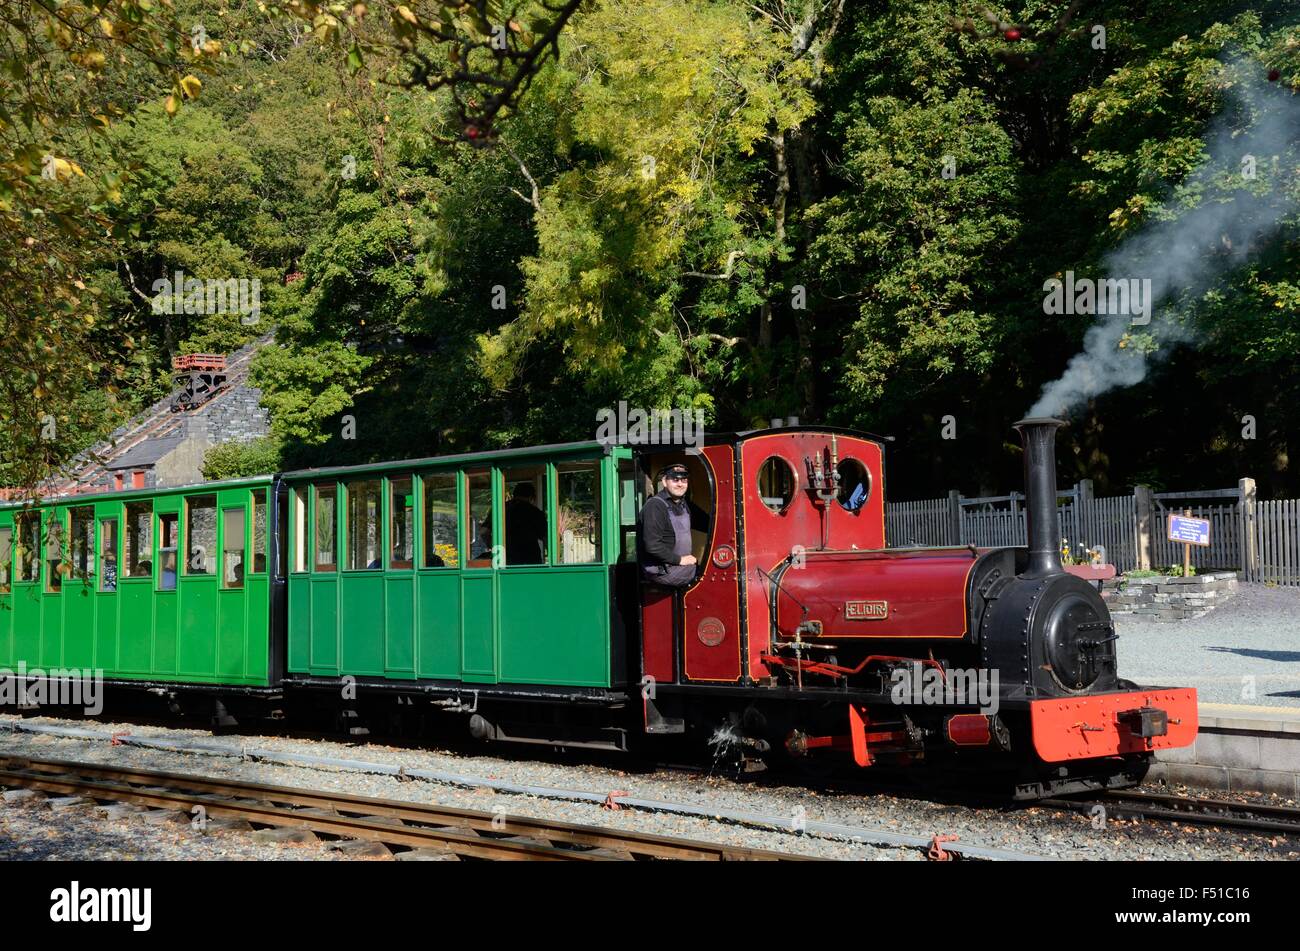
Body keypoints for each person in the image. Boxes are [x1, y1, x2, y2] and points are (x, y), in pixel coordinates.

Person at [637, 463, 710, 587]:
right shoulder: (655, 506)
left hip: (677, 566)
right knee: (708, 576)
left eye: (684, 480)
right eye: (675, 480)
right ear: (665, 482)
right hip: (662, 571)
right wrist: (680, 560)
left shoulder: (683, 504)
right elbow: (652, 546)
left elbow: (708, 523)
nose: (680, 484)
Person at [504, 482, 546, 565]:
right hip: (530, 559)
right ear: (531, 497)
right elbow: (546, 537)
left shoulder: (501, 509)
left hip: (507, 560)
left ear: (514, 494)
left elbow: (484, 532)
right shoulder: (535, 512)